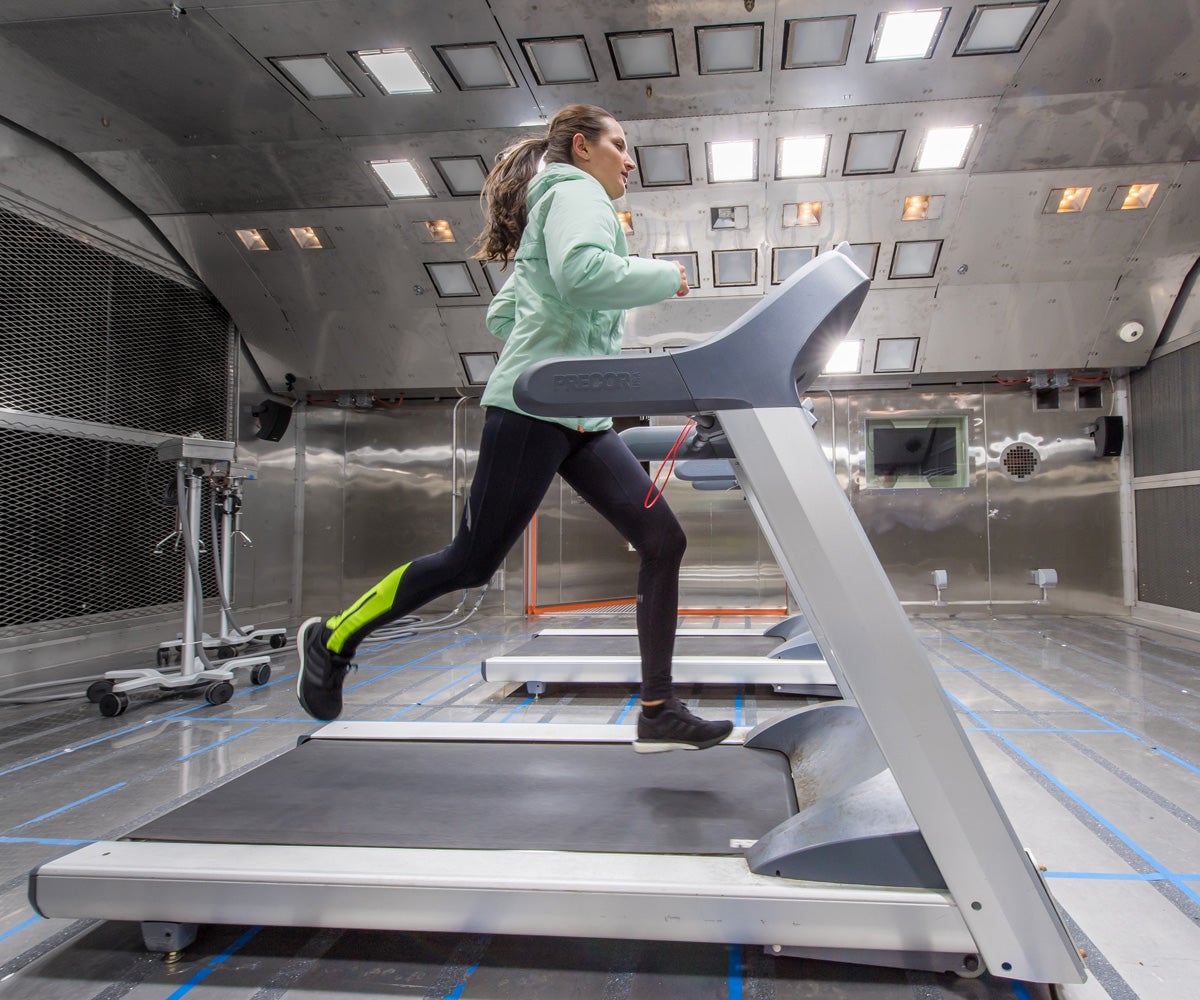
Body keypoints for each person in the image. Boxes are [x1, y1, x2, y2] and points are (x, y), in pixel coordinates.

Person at [296, 104, 732, 753]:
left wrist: (557, 332)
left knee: (661, 539)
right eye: (619, 145)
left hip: (579, 412)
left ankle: (659, 709)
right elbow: (582, 276)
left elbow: (507, 312)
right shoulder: (577, 192)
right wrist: (663, 277)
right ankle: (332, 636)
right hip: (532, 411)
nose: (630, 159)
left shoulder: (561, 202)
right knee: (470, 563)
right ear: (583, 149)